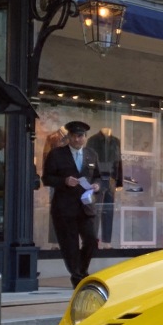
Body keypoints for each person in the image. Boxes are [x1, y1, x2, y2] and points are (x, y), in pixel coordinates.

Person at [42, 120, 102, 288]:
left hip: (86, 206)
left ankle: (81, 271)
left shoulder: (91, 154)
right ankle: (77, 276)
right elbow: (46, 178)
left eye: (80, 136)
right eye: (74, 136)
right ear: (68, 137)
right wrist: (64, 181)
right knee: (70, 245)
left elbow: (98, 176)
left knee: (91, 240)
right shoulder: (57, 154)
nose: (77, 140)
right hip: (64, 208)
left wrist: (97, 185)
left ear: (85, 137)